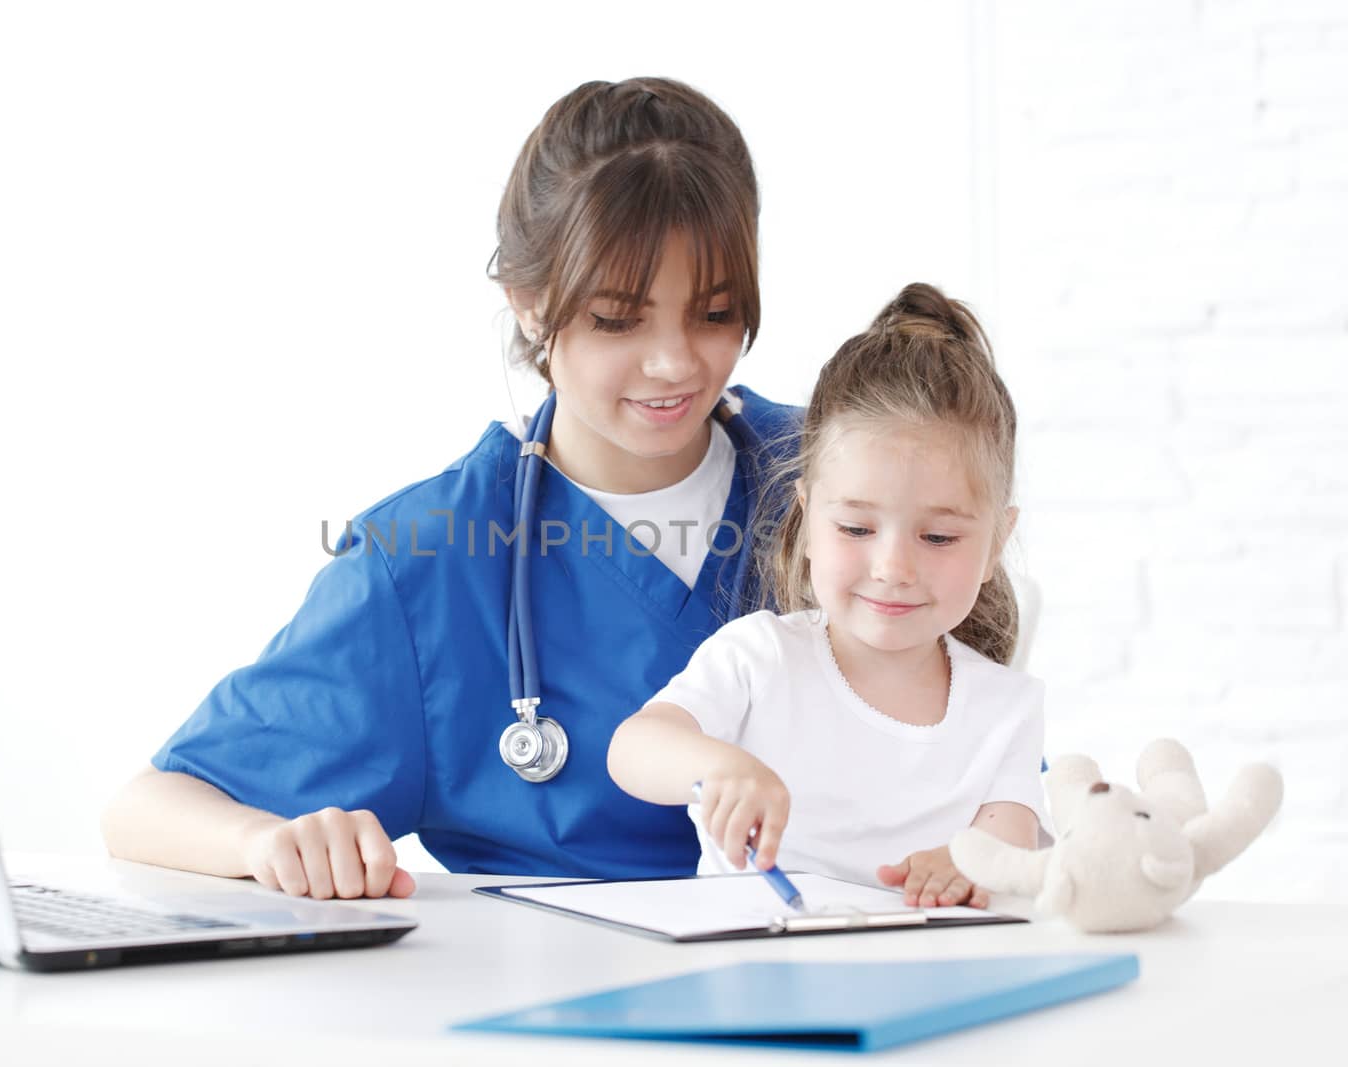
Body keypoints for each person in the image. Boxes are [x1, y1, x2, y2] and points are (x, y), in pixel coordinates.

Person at [100, 77, 803, 899]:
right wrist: (272, 840)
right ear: (530, 303)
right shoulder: (429, 560)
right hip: (561, 1004)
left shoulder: (839, 484)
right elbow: (143, 810)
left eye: (715, 313)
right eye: (618, 318)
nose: (676, 362)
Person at [606, 283, 1048, 910]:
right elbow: (634, 747)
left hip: (924, 978)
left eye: (939, 536)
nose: (893, 568)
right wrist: (718, 768)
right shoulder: (759, 659)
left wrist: (963, 865)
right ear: (808, 519)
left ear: (998, 541)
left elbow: (1013, 840)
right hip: (753, 977)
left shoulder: (1006, 708)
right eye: (856, 529)